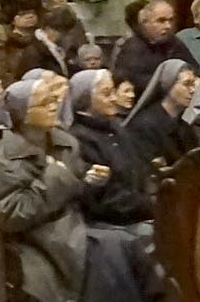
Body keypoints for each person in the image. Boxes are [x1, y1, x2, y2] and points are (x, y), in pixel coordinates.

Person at [0, 75, 152, 302]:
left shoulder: (64, 142)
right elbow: (11, 216)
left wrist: (89, 180)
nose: (53, 107)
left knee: (127, 243)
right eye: (43, 103)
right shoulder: (2, 159)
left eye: (53, 101)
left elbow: (74, 185)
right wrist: (54, 178)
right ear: (22, 113)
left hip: (72, 221)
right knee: (111, 248)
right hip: (35, 238)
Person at [63, 69, 156, 225]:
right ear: (85, 99)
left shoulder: (116, 126)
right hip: (110, 221)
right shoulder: (79, 138)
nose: (114, 99)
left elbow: (140, 169)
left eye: (113, 91)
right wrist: (152, 207)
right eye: (106, 94)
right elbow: (105, 199)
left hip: (139, 208)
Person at [111, 0, 197, 91]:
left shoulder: (174, 42)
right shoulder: (132, 48)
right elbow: (131, 80)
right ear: (144, 22)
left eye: (171, 20)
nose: (168, 26)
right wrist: (169, 83)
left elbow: (195, 69)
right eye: (161, 21)